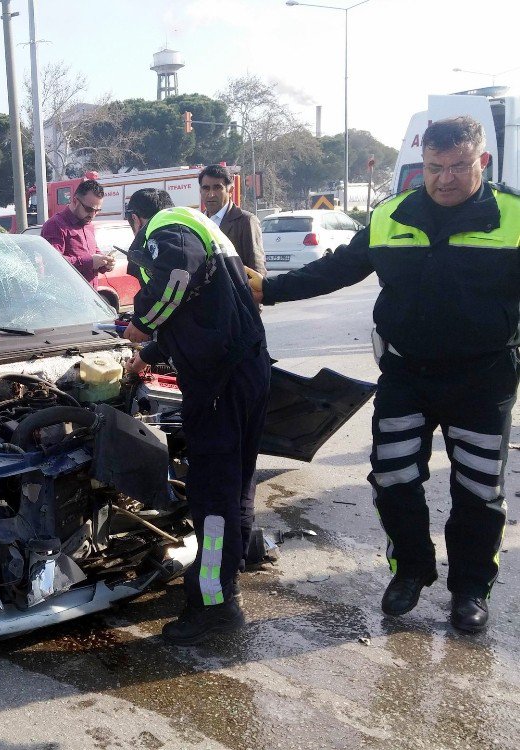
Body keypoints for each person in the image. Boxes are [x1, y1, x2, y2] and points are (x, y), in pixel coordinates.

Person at [246, 115, 520, 634]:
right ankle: (411, 569)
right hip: (405, 375)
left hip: (483, 381)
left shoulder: (514, 215)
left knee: (480, 491)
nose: (445, 179)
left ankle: (469, 590)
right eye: (435, 168)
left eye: (459, 167)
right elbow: (337, 269)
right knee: (393, 477)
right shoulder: (393, 213)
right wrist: (270, 290)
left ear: (480, 161)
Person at [122, 188, 270, 645]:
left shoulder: (165, 228)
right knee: (237, 482)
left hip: (217, 384)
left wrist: (140, 323)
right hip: (247, 369)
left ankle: (214, 604)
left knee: (211, 498)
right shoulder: (203, 226)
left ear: (136, 219)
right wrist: (150, 351)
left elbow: (176, 278)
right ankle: (236, 560)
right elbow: (201, 306)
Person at [40, 179, 115, 285]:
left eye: (97, 211)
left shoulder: (88, 225)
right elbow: (52, 263)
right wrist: (90, 262)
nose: (93, 215)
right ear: (75, 201)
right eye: (89, 209)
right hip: (68, 298)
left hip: (90, 296)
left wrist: (104, 263)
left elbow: (94, 252)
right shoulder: (55, 224)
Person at [199, 164, 265, 275]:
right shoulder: (197, 222)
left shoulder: (246, 221)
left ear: (230, 190)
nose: (211, 194)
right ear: (200, 191)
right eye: (206, 188)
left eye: (217, 188)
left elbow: (257, 270)